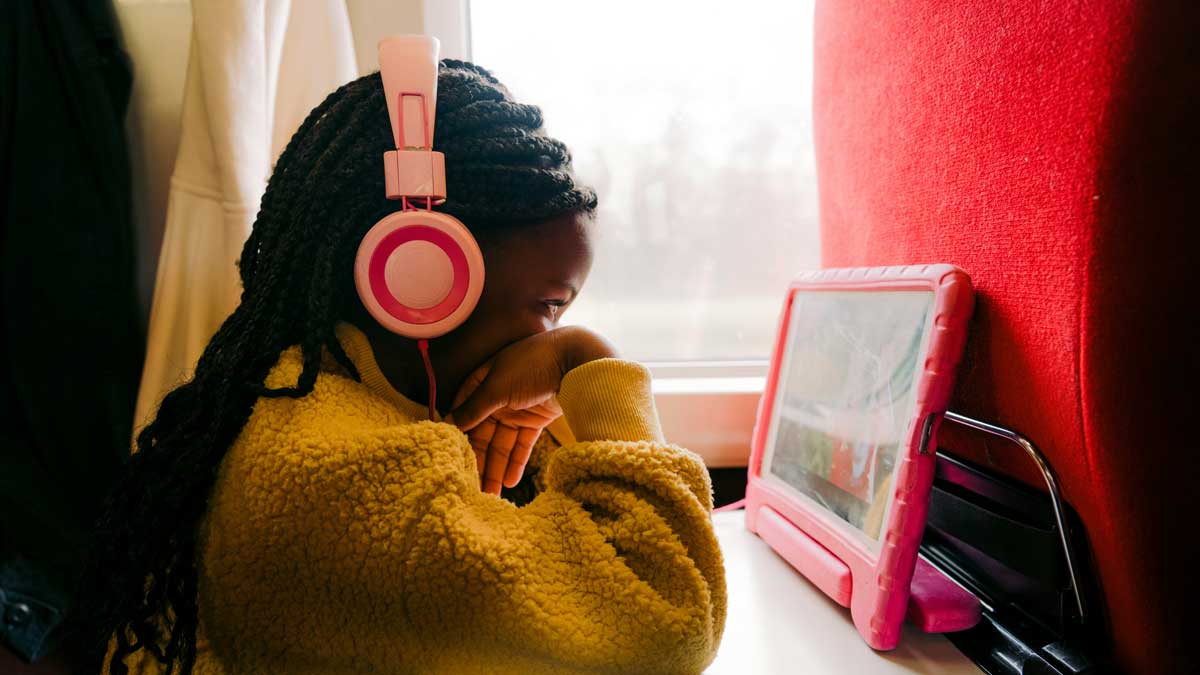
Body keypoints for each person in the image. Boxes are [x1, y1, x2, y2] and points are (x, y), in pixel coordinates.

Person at [79, 59, 726, 674]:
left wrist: (551, 410)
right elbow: (665, 618)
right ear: (419, 279)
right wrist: (589, 364)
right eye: (549, 305)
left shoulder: (333, 390)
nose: (547, 339)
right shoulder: (330, 473)